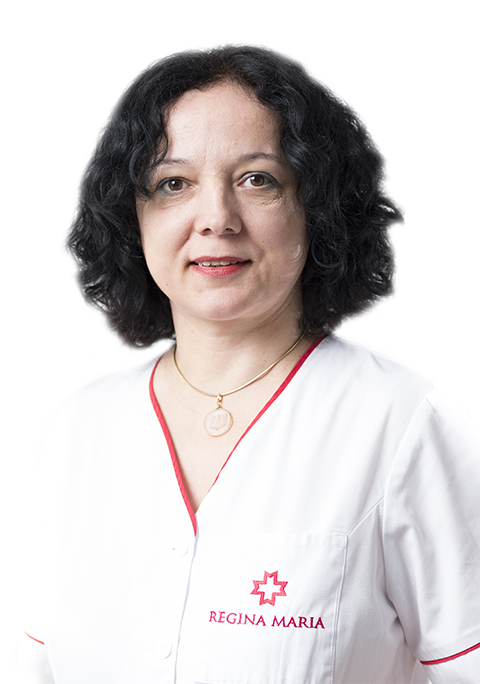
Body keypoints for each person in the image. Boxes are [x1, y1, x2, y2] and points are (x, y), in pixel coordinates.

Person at [17, 43, 480, 684]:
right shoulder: (79, 427)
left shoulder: (400, 421)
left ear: (317, 207)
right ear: (132, 216)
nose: (216, 219)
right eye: (173, 183)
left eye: (258, 179)